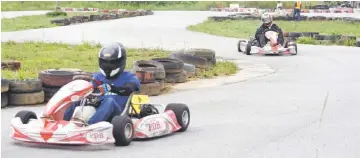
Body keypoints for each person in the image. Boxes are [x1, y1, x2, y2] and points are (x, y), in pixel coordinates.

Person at [63, 42, 141, 125]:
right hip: (96, 109)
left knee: (109, 101)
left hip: (117, 116)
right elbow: (90, 89)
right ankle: (63, 124)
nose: (108, 66)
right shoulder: (97, 76)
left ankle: (91, 126)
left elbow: (128, 89)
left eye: (112, 63)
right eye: (105, 62)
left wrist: (112, 88)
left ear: (120, 61)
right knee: (76, 98)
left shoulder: (130, 77)